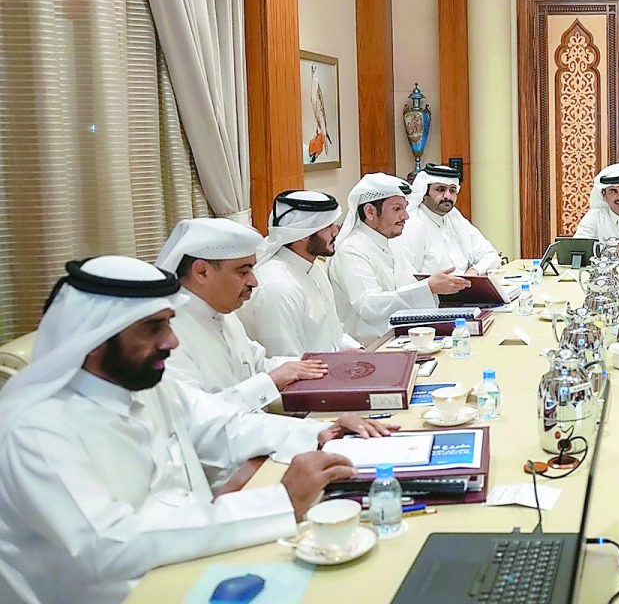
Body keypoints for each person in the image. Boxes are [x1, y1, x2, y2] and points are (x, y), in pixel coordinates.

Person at [0, 256, 388, 604]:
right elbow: (108, 546)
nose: (171, 341)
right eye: (153, 327)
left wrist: (319, 435)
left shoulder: (143, 381)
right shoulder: (35, 428)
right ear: (94, 338)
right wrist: (279, 501)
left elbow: (223, 425)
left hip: (192, 559)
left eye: (168, 323)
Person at [155, 218, 326, 413]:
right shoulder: (167, 335)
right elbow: (194, 416)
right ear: (202, 272)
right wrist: (270, 382)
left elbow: (258, 363)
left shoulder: (222, 313)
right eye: (243, 272)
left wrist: (322, 366)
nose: (253, 281)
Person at [328, 173, 470, 341]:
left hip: (401, 337)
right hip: (369, 349)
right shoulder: (351, 249)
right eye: (397, 209)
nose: (405, 216)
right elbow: (369, 306)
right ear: (370, 211)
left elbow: (408, 286)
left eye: (405, 208)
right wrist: (428, 287)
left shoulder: (391, 242)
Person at [238, 190, 363, 358]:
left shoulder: (313, 267)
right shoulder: (277, 287)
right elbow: (288, 363)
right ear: (301, 234)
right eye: (328, 226)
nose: (336, 232)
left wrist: (361, 353)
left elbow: (333, 334)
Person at [399, 163, 502, 275]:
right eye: (440, 189)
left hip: (465, 288)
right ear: (424, 193)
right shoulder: (413, 224)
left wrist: (474, 271)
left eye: (452, 190)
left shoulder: (455, 218)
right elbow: (407, 277)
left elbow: (491, 255)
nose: (447, 196)